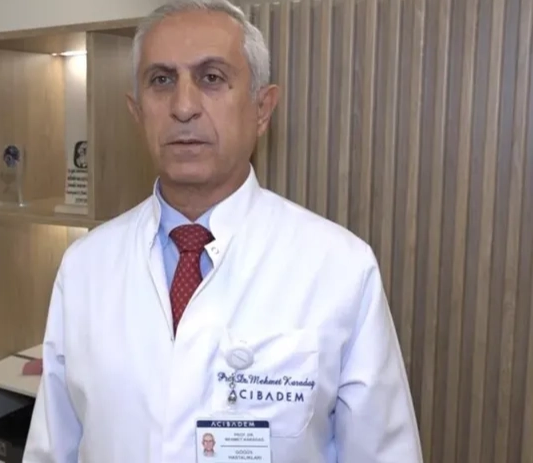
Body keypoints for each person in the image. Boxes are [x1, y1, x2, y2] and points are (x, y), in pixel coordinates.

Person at [22, 0, 424, 462]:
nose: (183, 106)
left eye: (211, 77)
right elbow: (52, 450)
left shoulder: (341, 269)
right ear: (137, 112)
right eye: (161, 80)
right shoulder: (84, 267)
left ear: (262, 108)